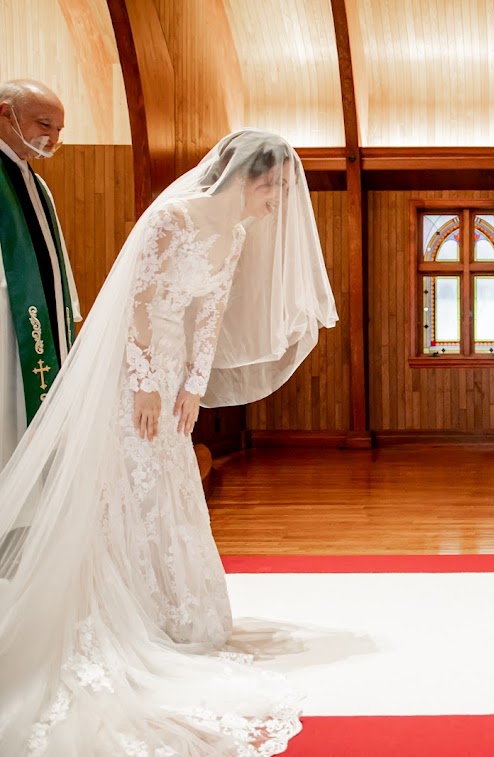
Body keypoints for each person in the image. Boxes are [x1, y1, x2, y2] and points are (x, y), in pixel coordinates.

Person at [0, 130, 338, 754]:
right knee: (127, 482)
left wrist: (193, 385)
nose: (278, 201)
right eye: (275, 188)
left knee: (166, 484)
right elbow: (137, 300)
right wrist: (144, 382)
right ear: (249, 177)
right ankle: (119, 607)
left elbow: (208, 316)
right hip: (133, 369)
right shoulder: (172, 218)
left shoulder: (234, 232)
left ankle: (168, 610)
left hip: (173, 364)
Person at [0, 79, 82, 470]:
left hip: (38, 324)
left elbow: (55, 257)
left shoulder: (36, 183)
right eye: (44, 124)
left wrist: (68, 310)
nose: (53, 138)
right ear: (5, 114)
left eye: (59, 129)